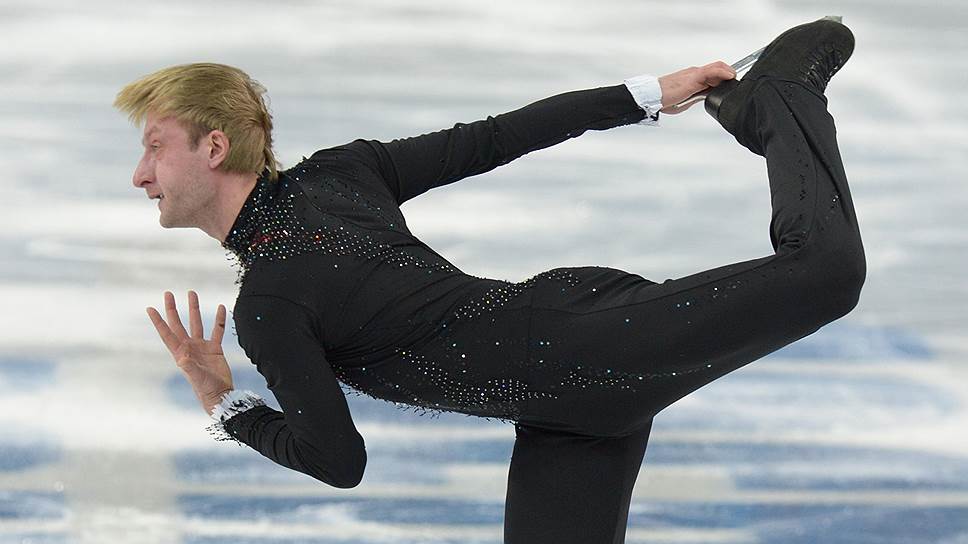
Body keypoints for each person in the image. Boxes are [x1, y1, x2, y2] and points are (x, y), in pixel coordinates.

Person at [118, 16, 865, 543]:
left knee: (827, 273)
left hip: (589, 344)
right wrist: (645, 94)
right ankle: (764, 101)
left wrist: (226, 404)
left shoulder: (273, 305)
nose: (140, 174)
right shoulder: (338, 176)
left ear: (214, 147)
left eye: (155, 147)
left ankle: (780, 97)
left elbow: (338, 463)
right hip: (568, 413)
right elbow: (499, 136)